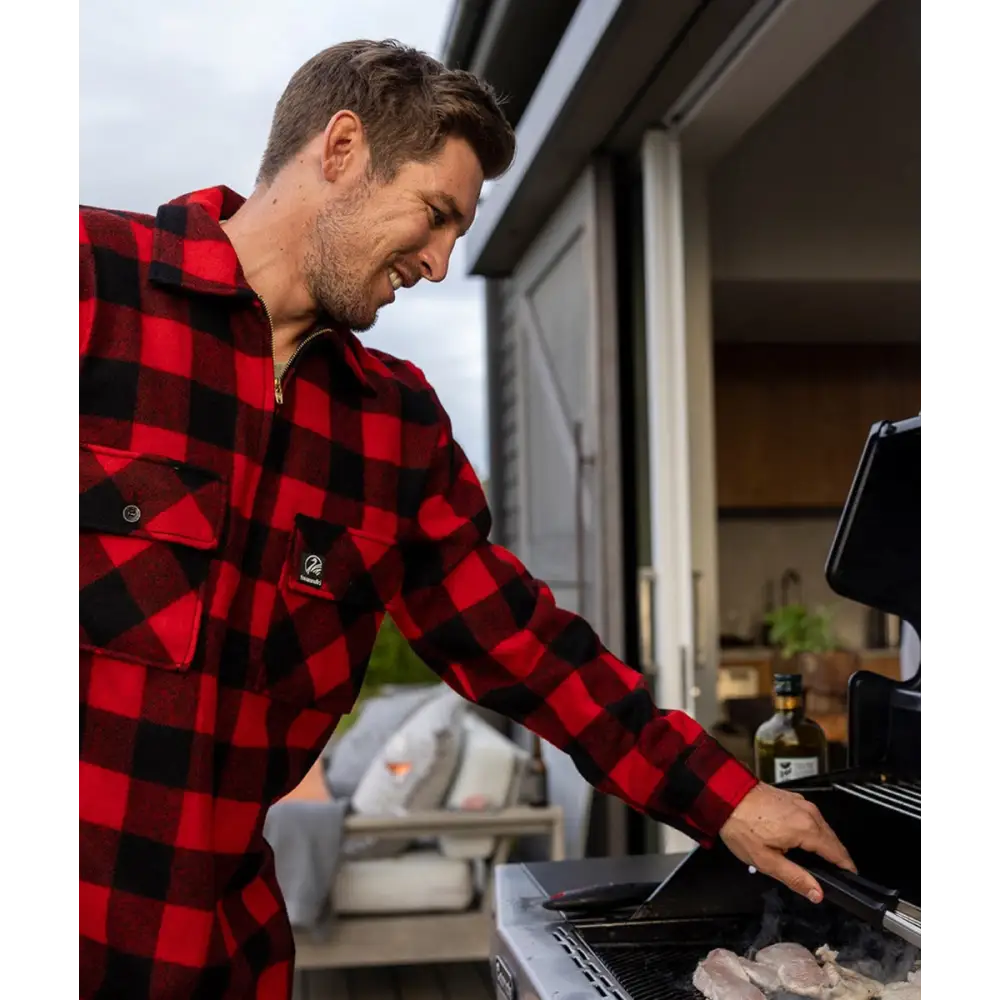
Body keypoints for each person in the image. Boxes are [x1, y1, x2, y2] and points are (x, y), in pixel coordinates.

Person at [74, 39, 854, 1000]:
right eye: (436, 215)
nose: (440, 265)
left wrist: (726, 796)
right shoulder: (93, 286)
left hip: (225, 958)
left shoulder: (391, 425)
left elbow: (526, 648)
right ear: (343, 148)